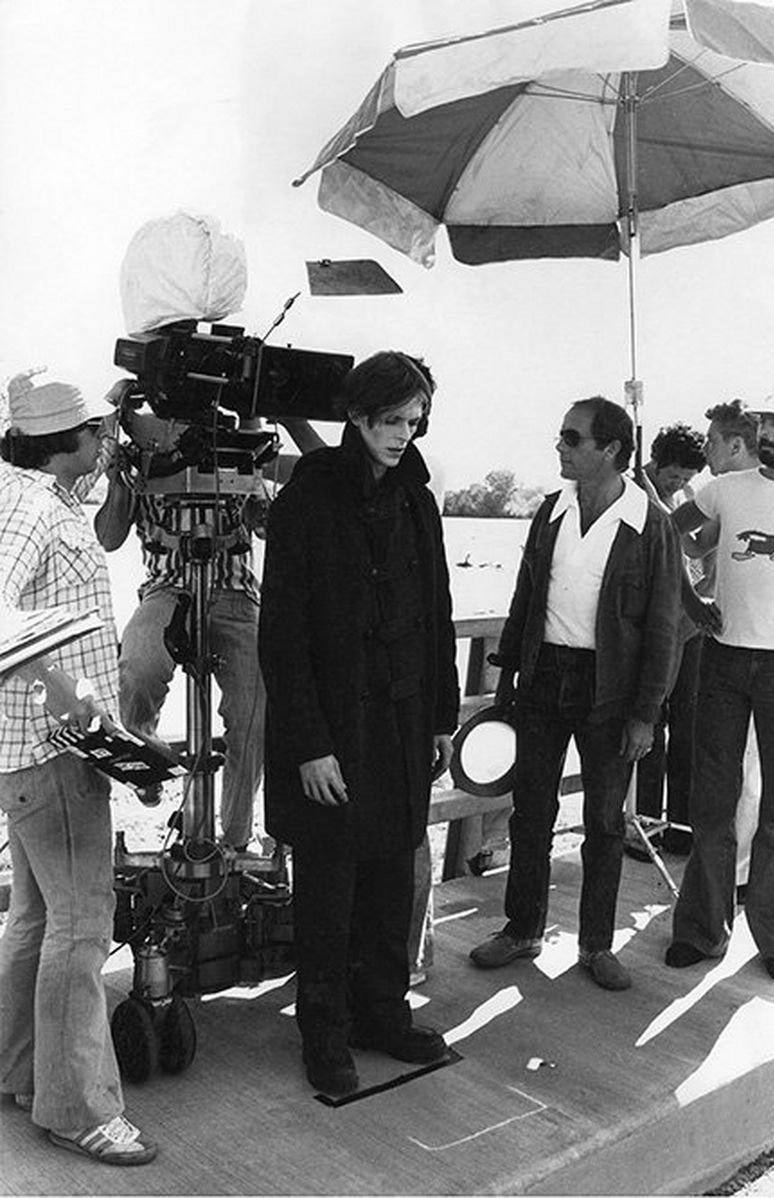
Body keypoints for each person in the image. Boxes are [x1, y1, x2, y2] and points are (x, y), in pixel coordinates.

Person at [259, 350, 459, 1096]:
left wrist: (441, 717)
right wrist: (309, 746)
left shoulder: (418, 501)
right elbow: (281, 635)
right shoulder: (307, 498)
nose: (404, 434)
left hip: (404, 725)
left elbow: (436, 613)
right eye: (391, 420)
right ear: (356, 415)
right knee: (329, 886)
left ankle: (383, 1013)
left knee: (389, 880)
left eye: (414, 421)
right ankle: (325, 1034)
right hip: (334, 729)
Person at [469, 397, 682, 990]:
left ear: (610, 449)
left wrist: (646, 715)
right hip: (543, 682)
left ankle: (595, 945)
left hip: (610, 691)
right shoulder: (550, 511)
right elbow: (525, 593)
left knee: (605, 823)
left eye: (572, 437)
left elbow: (664, 627)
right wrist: (509, 672)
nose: (559, 445)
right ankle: (522, 930)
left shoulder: (650, 524)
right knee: (530, 812)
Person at [0, 374, 157, 1165]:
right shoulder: (32, 506)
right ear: (67, 439)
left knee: (34, 918)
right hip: (53, 750)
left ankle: (19, 1069)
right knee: (82, 928)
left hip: (28, 755)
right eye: (98, 431)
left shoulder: (26, 490)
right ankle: (77, 1109)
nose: (107, 445)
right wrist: (69, 700)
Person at [94, 412, 324, 851]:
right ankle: (152, 769)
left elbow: (267, 524)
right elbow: (108, 537)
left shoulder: (237, 446)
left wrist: (255, 466)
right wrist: (119, 479)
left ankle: (236, 835)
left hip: (236, 593)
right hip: (166, 590)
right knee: (135, 674)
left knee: (255, 712)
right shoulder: (144, 452)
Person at [666, 398, 774, 983]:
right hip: (722, 659)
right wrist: (693, 602)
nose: (767, 432)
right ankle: (701, 929)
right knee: (712, 801)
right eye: (764, 422)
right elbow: (668, 537)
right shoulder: (726, 489)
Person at [682, 400, 761, 895]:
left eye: (712, 440)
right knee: (738, 771)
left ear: (735, 445)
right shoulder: (724, 494)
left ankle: (741, 876)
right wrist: (692, 598)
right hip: (735, 647)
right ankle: (733, 878)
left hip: (768, 653)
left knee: (751, 772)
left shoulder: (746, 488)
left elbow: (681, 541)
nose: (705, 448)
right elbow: (691, 543)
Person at [629, 422, 707, 856]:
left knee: (688, 725)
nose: (678, 483)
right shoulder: (633, 489)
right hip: (656, 623)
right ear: (655, 459)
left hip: (691, 623)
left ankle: (681, 826)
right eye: (672, 474)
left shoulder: (688, 497)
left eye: (686, 478)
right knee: (650, 724)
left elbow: (695, 545)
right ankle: (645, 827)